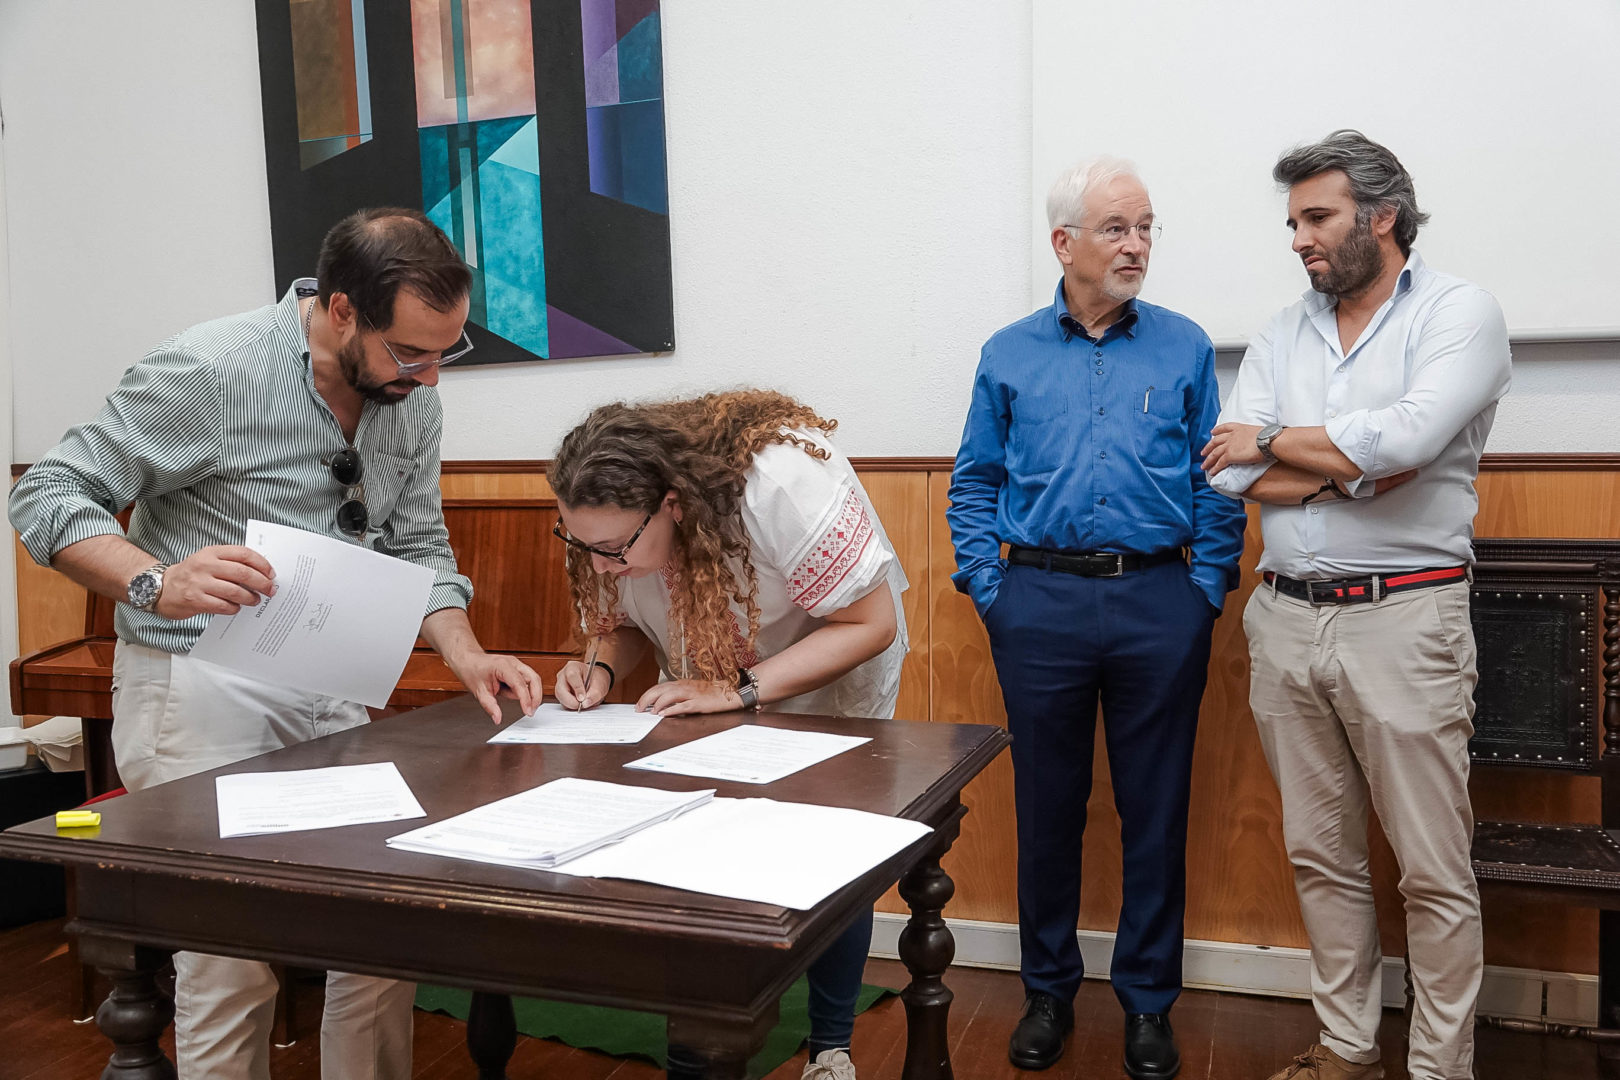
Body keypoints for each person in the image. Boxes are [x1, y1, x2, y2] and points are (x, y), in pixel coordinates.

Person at [9, 207, 543, 1080]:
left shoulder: (410, 396)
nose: (430, 376)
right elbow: (48, 494)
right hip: (200, 684)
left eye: (448, 352)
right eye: (412, 352)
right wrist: (154, 579)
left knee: (382, 931)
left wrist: (466, 651)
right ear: (342, 311)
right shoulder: (209, 370)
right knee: (230, 961)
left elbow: (418, 544)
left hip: (333, 684)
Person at [1202, 130, 1511, 1080]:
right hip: (1285, 617)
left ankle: (1438, 1069)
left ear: (1382, 217)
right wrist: (1354, 470)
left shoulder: (1459, 313)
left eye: (1317, 217)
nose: (1298, 238)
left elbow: (1410, 436)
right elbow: (1226, 469)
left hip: (1406, 619)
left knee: (1432, 869)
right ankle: (1345, 1048)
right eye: (1294, 221)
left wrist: (1278, 440)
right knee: (1320, 855)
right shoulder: (1281, 331)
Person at [947, 158, 1246, 1077]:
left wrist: (1204, 591)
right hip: (1038, 605)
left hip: (1161, 602)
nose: (1137, 245)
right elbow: (974, 484)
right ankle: (1047, 992)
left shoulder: (1185, 346)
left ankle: (1149, 1003)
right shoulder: (1008, 353)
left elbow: (1217, 481)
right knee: (1048, 808)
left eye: (1147, 227)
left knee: (1156, 809)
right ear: (1063, 242)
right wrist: (992, 592)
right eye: (1117, 228)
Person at [547, 389, 908, 1080]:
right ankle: (700, 1046)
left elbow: (870, 623)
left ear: (674, 504)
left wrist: (740, 689)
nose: (599, 566)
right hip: (709, 684)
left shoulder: (784, 484)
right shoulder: (611, 528)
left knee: (832, 846)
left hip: (825, 664)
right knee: (701, 843)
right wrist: (598, 665)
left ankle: (831, 1047)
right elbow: (622, 621)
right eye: (582, 546)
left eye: (614, 549)